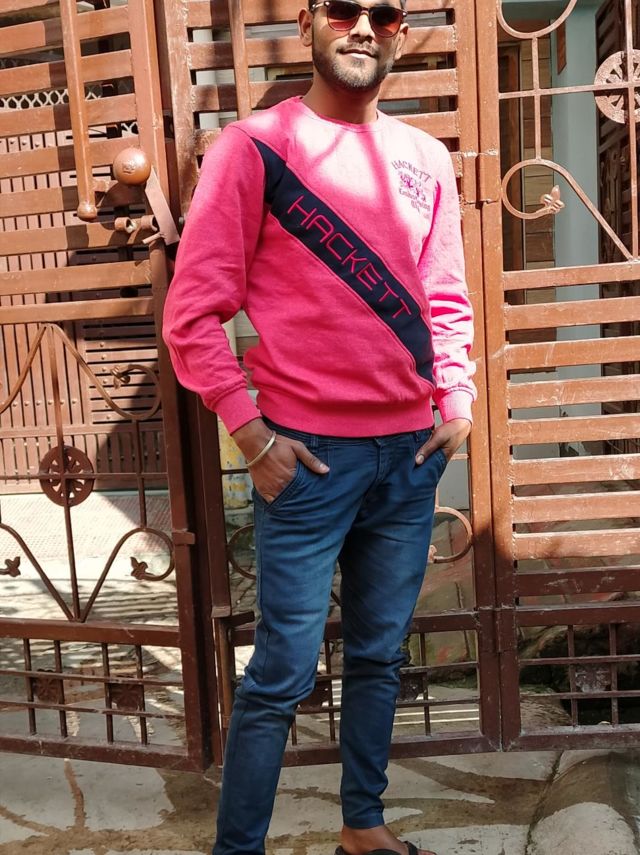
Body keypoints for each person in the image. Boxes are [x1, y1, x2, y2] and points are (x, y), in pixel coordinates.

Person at [163, 0, 475, 853]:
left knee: (380, 656)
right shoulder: (254, 149)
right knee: (280, 673)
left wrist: (457, 401)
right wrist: (252, 436)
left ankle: (361, 826)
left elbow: (445, 293)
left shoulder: (426, 158)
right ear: (307, 24)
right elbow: (192, 313)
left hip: (409, 456)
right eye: (344, 9)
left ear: (399, 32)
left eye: (384, 13)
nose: (364, 26)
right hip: (306, 461)